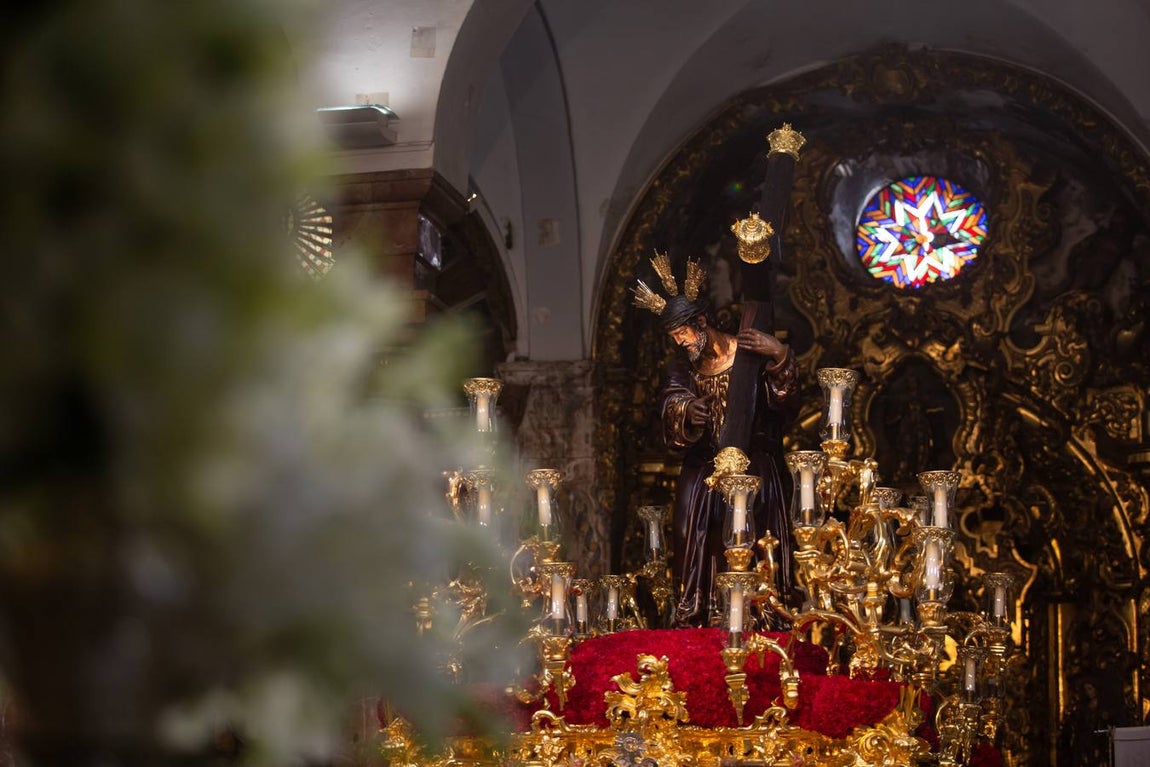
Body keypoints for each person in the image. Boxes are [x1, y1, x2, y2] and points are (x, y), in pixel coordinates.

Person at [656, 293, 799, 627]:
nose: (680, 342)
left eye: (683, 333)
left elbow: (784, 406)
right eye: (674, 337)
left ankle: (761, 611)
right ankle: (699, 614)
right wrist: (687, 410)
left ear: (701, 322)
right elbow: (670, 399)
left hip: (753, 466)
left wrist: (780, 355)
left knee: (755, 534)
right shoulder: (683, 367)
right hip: (703, 470)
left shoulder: (748, 355)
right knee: (692, 533)